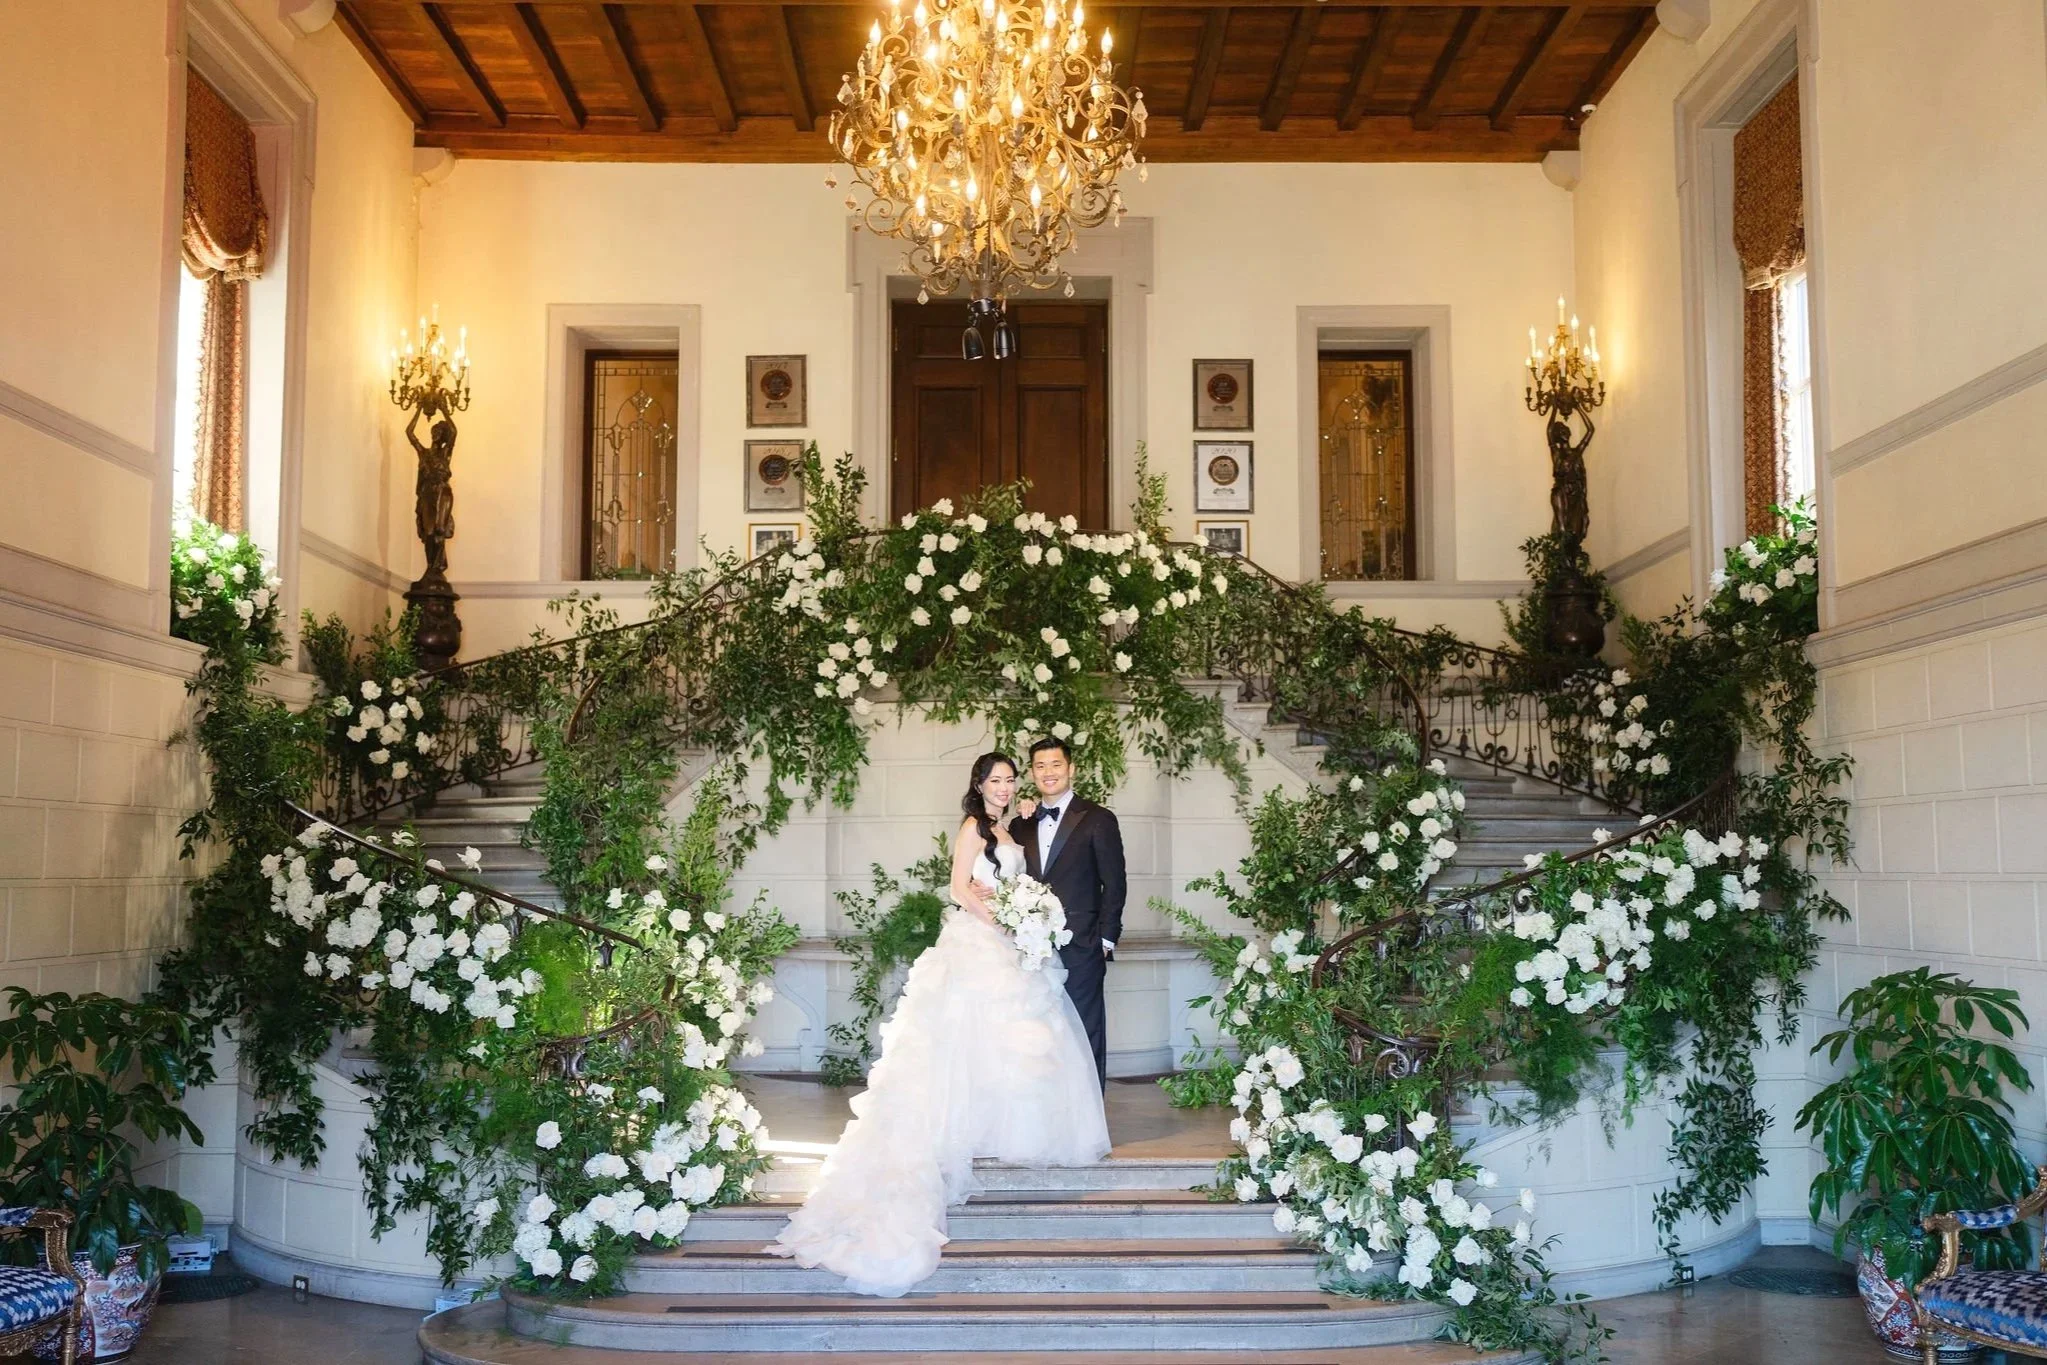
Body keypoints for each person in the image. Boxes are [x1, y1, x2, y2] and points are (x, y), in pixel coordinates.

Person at [767, 751, 1110, 1297]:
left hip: (1013, 946)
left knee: (1017, 1040)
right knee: (968, 1037)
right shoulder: (973, 826)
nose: (1004, 787)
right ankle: (959, 1132)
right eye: (995, 780)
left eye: (1010, 779)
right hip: (979, 944)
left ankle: (1000, 1129)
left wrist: (1024, 917)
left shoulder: (1011, 827)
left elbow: (1018, 880)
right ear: (979, 784)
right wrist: (1004, 922)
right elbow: (957, 887)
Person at [1012, 736, 1127, 1082]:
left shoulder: (1098, 818)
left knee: (1084, 1032)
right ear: (1032, 772)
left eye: (1056, 764)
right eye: (1040, 766)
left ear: (1071, 769)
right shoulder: (1021, 823)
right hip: (1031, 949)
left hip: (1083, 944)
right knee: (1038, 1034)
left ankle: (1089, 1111)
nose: (1048, 772)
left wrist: (1105, 940)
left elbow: (1115, 882)